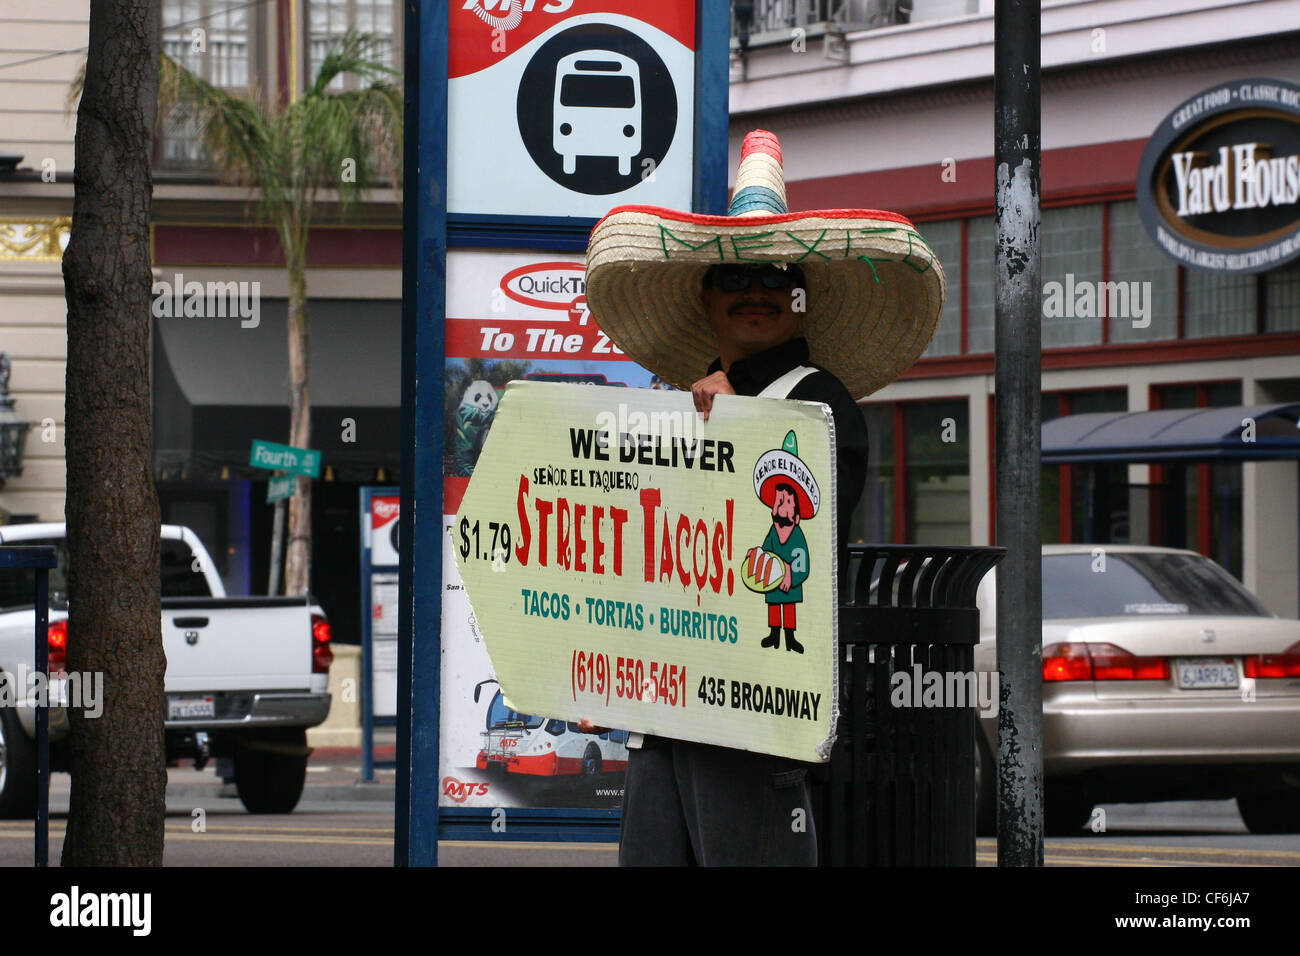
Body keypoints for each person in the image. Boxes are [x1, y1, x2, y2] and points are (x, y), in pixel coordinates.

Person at [579, 129, 946, 865]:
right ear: (706, 299)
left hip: (752, 706)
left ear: (801, 302)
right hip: (664, 706)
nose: (756, 293)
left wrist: (739, 398)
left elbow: (798, 525)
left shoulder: (822, 403)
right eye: (736, 280)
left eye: (777, 278)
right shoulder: (686, 406)